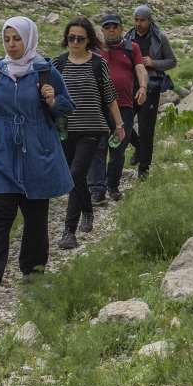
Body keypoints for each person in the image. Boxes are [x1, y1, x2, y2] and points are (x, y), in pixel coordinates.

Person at [0, 16, 74, 298]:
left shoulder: (46, 71)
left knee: (35, 217)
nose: (11, 45)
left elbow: (67, 107)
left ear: (29, 39)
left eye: (17, 39)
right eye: (7, 39)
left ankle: (33, 274)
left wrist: (52, 100)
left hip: (37, 152)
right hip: (2, 152)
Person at [52, 18, 122, 250]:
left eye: (80, 38)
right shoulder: (58, 64)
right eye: (71, 37)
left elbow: (110, 96)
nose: (75, 42)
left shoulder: (97, 63)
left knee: (74, 174)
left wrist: (119, 125)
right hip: (65, 129)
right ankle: (88, 210)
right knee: (76, 178)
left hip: (92, 128)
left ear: (88, 40)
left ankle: (68, 232)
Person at [89, 13, 148, 204]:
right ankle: (97, 189)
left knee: (118, 148)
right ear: (102, 30)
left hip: (124, 105)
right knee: (99, 147)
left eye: (115, 26)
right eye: (107, 27)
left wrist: (143, 87)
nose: (111, 29)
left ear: (122, 28)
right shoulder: (94, 49)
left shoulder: (132, 47)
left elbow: (140, 68)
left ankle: (112, 186)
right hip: (99, 105)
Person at [124, 4, 176, 180]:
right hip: (129, 86)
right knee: (124, 123)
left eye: (142, 20)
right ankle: (138, 146)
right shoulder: (127, 38)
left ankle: (143, 170)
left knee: (147, 130)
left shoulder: (160, 38)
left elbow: (172, 61)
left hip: (152, 87)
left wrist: (153, 63)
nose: (138, 23)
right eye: (136, 20)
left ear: (149, 20)